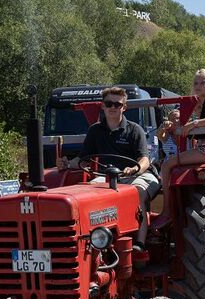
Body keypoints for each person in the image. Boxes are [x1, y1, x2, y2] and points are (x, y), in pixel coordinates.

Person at [60, 86, 160, 250]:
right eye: (109, 103)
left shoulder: (135, 130)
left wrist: (134, 169)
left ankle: (140, 243)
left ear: (124, 107)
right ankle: (95, 241)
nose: (113, 107)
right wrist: (65, 164)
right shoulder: (95, 130)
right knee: (88, 192)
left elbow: (144, 160)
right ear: (103, 106)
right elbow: (83, 159)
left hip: (139, 175)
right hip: (108, 176)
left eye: (117, 104)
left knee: (138, 192)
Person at [156, 69, 205, 222]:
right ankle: (175, 205)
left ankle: (166, 209)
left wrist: (194, 123)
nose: (199, 85)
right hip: (204, 147)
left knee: (167, 165)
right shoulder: (201, 104)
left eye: (203, 82)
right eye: (196, 83)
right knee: (171, 165)